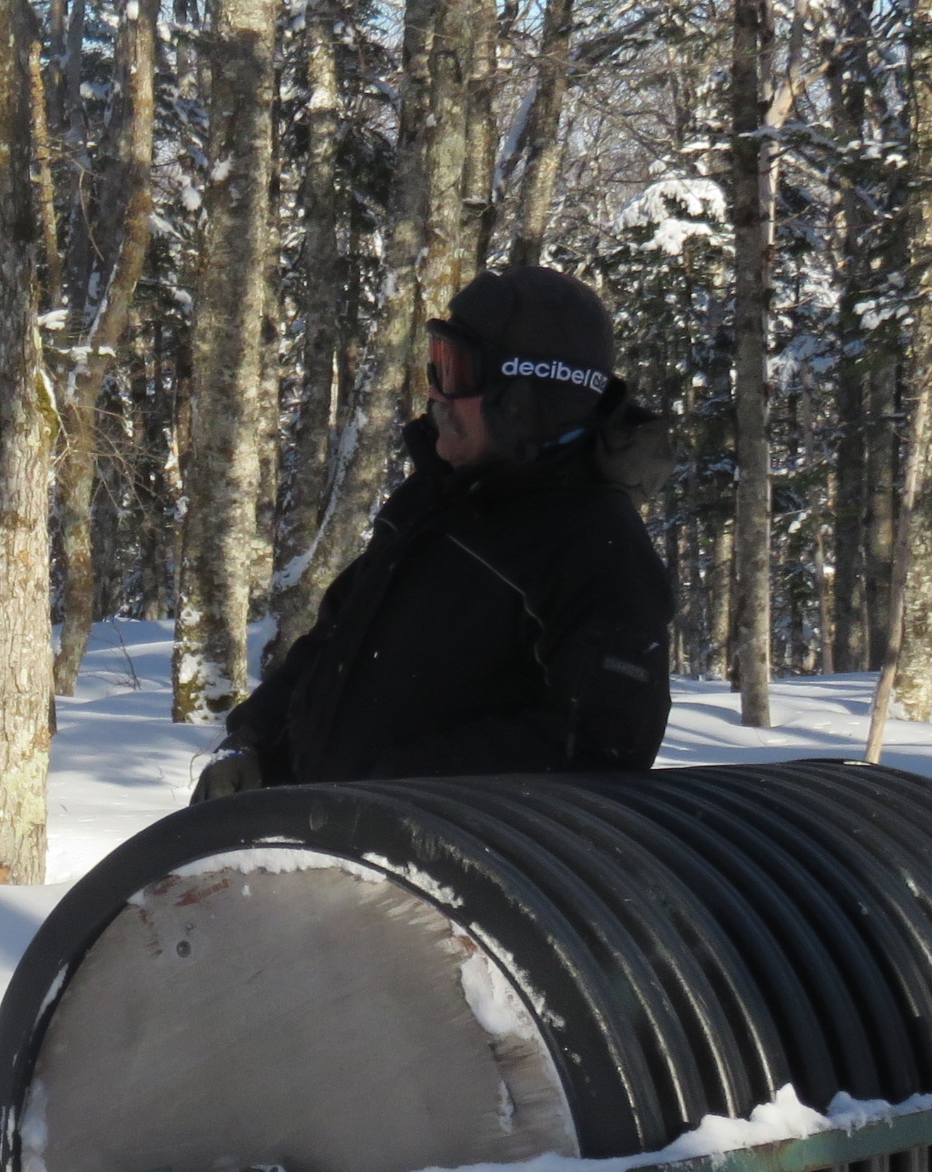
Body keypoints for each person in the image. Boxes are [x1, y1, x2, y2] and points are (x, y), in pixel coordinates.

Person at [199, 264, 674, 798]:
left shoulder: (596, 547)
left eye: (454, 370)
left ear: (526, 398)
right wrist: (254, 740)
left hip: (438, 864)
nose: (434, 392)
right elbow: (331, 645)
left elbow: (603, 747)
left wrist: (391, 792)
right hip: (330, 846)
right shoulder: (432, 500)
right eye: (436, 362)